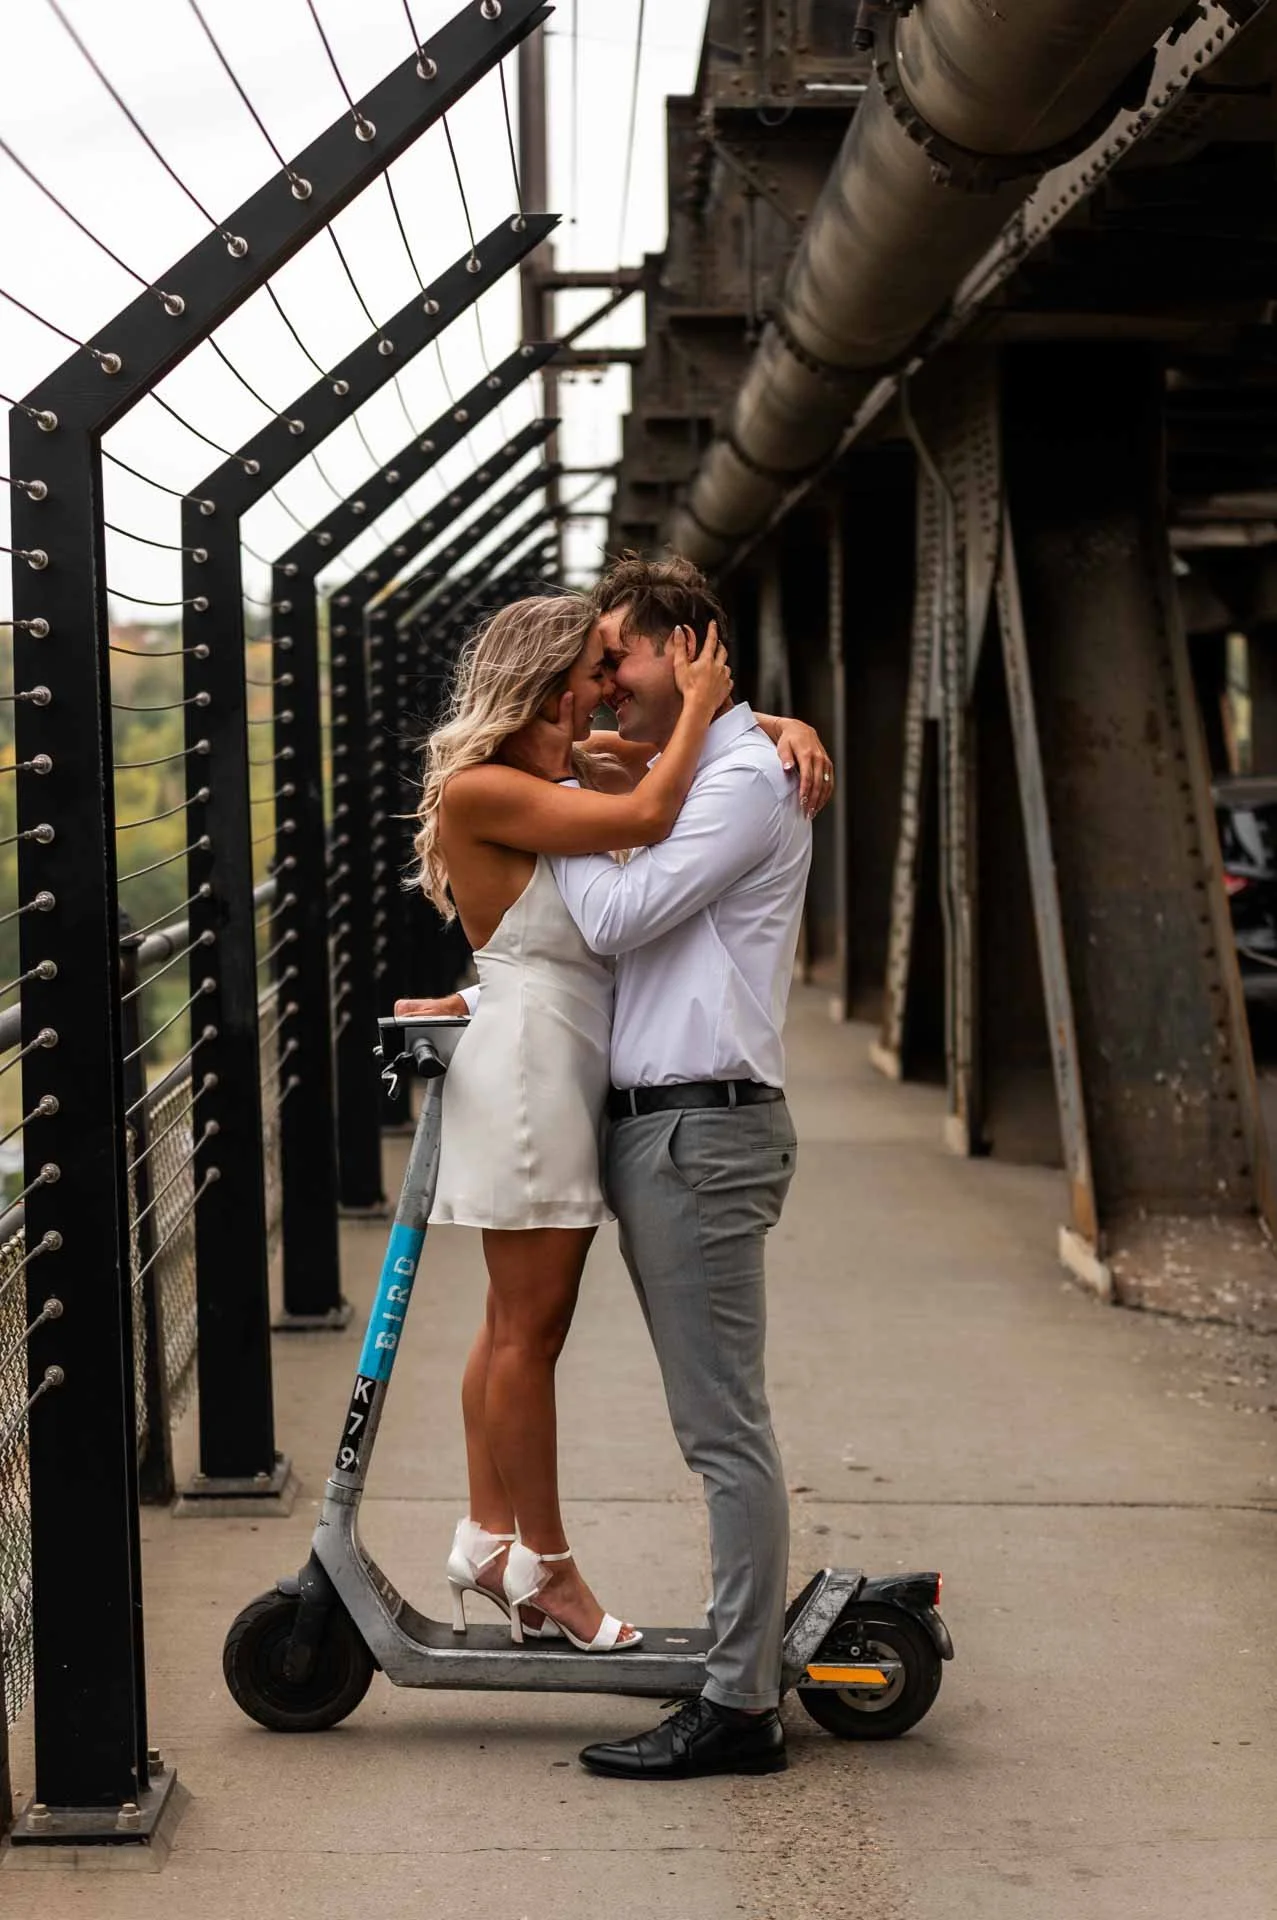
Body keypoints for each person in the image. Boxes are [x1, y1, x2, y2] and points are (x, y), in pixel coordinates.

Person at [401, 590, 830, 1661]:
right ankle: (542, 1566)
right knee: (528, 1331)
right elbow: (644, 820)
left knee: (511, 1324)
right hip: (538, 1068)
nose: (607, 682)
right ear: (553, 677)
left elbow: (664, 786)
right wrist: (705, 709)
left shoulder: (549, 774)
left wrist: (767, 726)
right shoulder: (494, 786)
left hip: (549, 1057)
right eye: (597, 664)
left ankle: (488, 1536)